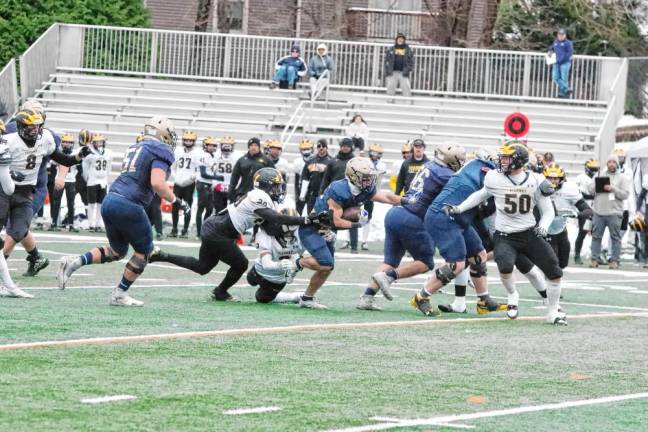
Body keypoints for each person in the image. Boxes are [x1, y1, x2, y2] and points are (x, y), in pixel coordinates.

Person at [57, 116, 190, 306]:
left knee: (117, 251)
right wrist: (177, 201)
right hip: (129, 204)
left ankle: (74, 262)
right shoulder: (161, 149)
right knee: (144, 251)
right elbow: (157, 183)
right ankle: (119, 294)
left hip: (112, 200)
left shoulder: (136, 146)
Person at [150, 167, 330, 302]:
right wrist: (306, 220)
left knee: (202, 267)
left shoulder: (259, 195)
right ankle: (221, 292)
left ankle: (160, 255)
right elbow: (274, 218)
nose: (278, 190)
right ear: (265, 186)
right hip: (219, 232)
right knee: (241, 264)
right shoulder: (259, 196)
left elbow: (271, 223)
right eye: (275, 186)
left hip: (215, 228)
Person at [443, 142, 566, 325]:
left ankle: (553, 311)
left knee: (554, 272)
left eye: (507, 158)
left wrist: (544, 226)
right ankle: (512, 294)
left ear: (518, 161)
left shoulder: (536, 180)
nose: (502, 161)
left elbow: (548, 211)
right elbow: (480, 195)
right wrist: (460, 208)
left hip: (529, 233)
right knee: (506, 268)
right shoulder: (494, 177)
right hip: (505, 236)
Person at [357, 144, 465, 311]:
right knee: (425, 262)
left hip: (396, 212)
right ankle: (390, 277)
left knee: (390, 261)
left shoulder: (428, 165)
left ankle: (367, 297)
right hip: (412, 218)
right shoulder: (447, 175)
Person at [406, 149, 505, 317]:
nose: (506, 165)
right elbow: (488, 207)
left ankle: (483, 300)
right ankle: (421, 297)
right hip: (443, 217)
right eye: (503, 160)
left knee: (478, 255)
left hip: (457, 217)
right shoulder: (486, 173)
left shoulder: (476, 167)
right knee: (456, 264)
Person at [2, 109, 88, 296]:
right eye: (30, 127)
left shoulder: (45, 139)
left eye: (37, 127)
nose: (35, 131)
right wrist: (8, 173)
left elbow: (63, 159)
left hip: (26, 194)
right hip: (4, 191)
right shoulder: (9, 141)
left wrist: (79, 156)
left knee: (17, 232)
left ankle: (7, 284)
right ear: (20, 126)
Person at [298, 157, 402, 309]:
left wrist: (406, 201)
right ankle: (296, 263)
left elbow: (385, 197)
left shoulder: (363, 188)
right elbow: (337, 221)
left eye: (370, 177)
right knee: (325, 263)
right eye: (366, 178)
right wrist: (358, 223)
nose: (369, 181)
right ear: (354, 177)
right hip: (313, 227)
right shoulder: (339, 189)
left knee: (328, 267)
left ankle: (307, 298)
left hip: (326, 230)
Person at [247, 208, 304, 304]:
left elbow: (299, 258)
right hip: (259, 271)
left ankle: (295, 297)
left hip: (277, 279)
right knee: (250, 280)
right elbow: (266, 264)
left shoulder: (300, 236)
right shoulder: (265, 235)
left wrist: (293, 271)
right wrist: (280, 265)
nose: (290, 232)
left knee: (262, 299)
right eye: (288, 225)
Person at [544, 163, 593, 269]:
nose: (552, 181)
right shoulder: (538, 190)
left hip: (561, 229)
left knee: (563, 263)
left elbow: (588, 210)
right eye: (549, 178)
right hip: (544, 230)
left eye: (555, 178)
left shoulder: (568, 189)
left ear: (561, 179)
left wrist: (576, 214)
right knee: (553, 264)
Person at [588, 153, 630, 269]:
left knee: (615, 237)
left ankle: (614, 261)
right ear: (607, 163)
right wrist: (596, 182)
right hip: (598, 211)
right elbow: (590, 190)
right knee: (596, 236)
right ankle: (594, 259)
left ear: (617, 164)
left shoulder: (622, 177)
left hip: (614, 213)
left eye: (614, 162)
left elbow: (625, 195)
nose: (611, 164)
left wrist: (613, 189)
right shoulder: (600, 174)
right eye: (609, 162)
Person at [320, 138, 356, 251]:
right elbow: (326, 179)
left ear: (351, 147)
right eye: (343, 145)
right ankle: (331, 244)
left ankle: (354, 246)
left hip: (351, 196)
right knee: (333, 220)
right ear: (340, 146)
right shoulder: (333, 161)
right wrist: (321, 193)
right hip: (335, 196)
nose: (345, 147)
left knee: (353, 219)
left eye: (347, 145)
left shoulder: (356, 161)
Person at [170, 131, 199, 238]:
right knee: (175, 206)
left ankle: (185, 230)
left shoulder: (197, 153)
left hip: (189, 184)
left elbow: (198, 170)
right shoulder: (177, 151)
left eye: (190, 140)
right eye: (186, 140)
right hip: (177, 184)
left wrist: (191, 178)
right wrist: (176, 177)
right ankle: (174, 229)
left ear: (194, 141)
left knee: (188, 207)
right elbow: (173, 167)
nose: (188, 142)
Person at [82, 134, 113, 232]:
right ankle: (91, 224)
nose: (99, 143)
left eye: (101, 141)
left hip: (103, 181)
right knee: (91, 204)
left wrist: (105, 177)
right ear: (93, 143)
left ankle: (98, 224)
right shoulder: (90, 153)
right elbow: (85, 167)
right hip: (92, 181)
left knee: (101, 204)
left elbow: (109, 167)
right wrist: (88, 178)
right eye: (97, 142)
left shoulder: (108, 153)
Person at [229, 137, 274, 203]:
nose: (253, 147)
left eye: (256, 145)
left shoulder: (266, 160)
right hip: (243, 193)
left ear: (259, 147)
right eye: (251, 145)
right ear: (248, 147)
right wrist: (231, 191)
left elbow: (273, 176)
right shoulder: (242, 160)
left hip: (261, 194)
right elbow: (234, 177)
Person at [360, 143, 388, 250]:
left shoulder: (382, 165)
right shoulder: (364, 162)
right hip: (359, 192)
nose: (375, 155)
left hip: (371, 193)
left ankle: (364, 241)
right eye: (374, 152)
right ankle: (349, 240)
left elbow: (376, 174)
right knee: (353, 215)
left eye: (378, 153)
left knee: (367, 217)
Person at [195, 136, 223, 237]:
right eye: (210, 145)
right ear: (205, 145)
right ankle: (199, 233)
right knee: (201, 208)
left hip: (209, 184)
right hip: (202, 183)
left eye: (214, 145)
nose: (212, 147)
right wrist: (217, 178)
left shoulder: (213, 156)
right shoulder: (202, 155)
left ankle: (204, 229)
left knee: (210, 209)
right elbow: (203, 174)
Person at [573, 159, 599, 264]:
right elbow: (579, 194)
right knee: (582, 233)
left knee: (597, 233)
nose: (594, 171)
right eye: (593, 169)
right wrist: (594, 195)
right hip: (584, 209)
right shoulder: (580, 178)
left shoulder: (598, 177)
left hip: (596, 208)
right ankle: (577, 255)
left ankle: (596, 255)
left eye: (596, 169)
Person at [299, 138, 332, 213]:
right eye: (319, 146)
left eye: (323, 146)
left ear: (326, 148)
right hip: (312, 194)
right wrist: (302, 193)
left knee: (323, 216)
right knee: (311, 215)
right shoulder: (310, 161)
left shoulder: (331, 161)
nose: (321, 148)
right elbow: (305, 177)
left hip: (325, 194)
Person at [212, 135, 241, 214]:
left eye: (228, 146)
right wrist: (215, 184)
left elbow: (240, 175)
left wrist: (235, 186)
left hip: (232, 187)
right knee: (219, 211)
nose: (226, 148)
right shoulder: (216, 156)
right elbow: (212, 173)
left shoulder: (237, 157)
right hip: (219, 187)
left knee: (233, 211)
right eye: (224, 145)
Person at [384, 32, 414, 98]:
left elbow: (411, 61)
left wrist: (408, 69)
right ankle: (389, 102)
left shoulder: (408, 50)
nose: (400, 40)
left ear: (404, 40)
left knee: (406, 87)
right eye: (399, 39)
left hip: (403, 72)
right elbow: (386, 60)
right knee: (390, 87)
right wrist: (387, 70)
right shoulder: (391, 49)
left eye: (401, 39)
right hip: (392, 72)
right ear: (396, 40)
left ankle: (408, 103)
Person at [549, 28, 573, 98]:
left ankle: (563, 94)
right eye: (559, 35)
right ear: (557, 35)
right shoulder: (556, 41)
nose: (561, 36)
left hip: (565, 63)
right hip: (556, 63)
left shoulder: (568, 43)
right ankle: (567, 89)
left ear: (565, 35)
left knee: (564, 78)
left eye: (562, 35)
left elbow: (569, 54)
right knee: (555, 77)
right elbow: (552, 47)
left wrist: (561, 60)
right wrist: (550, 51)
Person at [292, 138, 314, 215]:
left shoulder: (316, 160)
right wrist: (297, 195)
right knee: (298, 213)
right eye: (304, 149)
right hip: (302, 188)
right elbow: (296, 180)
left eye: (308, 149)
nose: (306, 151)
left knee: (311, 213)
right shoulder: (298, 162)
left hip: (313, 190)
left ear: (312, 149)